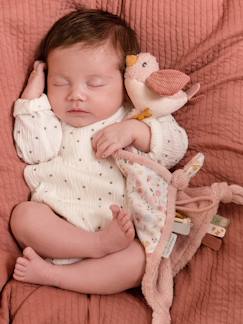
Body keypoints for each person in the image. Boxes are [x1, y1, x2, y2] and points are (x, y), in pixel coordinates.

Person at [10, 8, 188, 294]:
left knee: (140, 261)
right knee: (23, 216)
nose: (76, 95)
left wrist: (134, 132)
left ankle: (56, 276)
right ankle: (92, 248)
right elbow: (33, 151)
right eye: (60, 82)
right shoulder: (53, 119)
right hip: (60, 223)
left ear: (125, 81)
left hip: (123, 231)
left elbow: (176, 145)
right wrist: (32, 98)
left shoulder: (135, 116)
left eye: (95, 84)